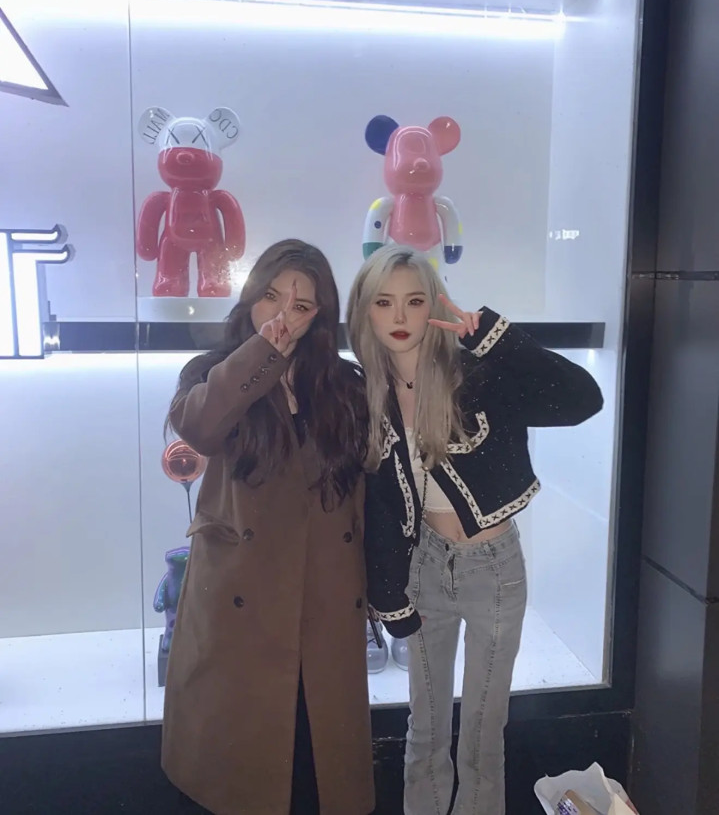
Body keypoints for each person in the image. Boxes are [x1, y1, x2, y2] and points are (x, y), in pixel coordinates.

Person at [346, 245, 604, 815]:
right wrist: (389, 596)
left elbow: (583, 399)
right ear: (363, 312)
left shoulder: (480, 376)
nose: (399, 316)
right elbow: (380, 508)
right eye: (383, 302)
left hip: (493, 568)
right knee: (424, 730)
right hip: (424, 567)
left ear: (435, 305)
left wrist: (496, 336)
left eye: (415, 301)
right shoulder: (366, 395)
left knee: (484, 733)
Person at [162, 239, 375, 815]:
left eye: (301, 306)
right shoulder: (213, 371)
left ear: (320, 318)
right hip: (241, 604)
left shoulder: (345, 386)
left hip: (325, 597)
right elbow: (199, 428)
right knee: (236, 766)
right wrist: (262, 354)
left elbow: (369, 491)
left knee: (314, 765)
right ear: (250, 297)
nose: (283, 315)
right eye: (271, 297)